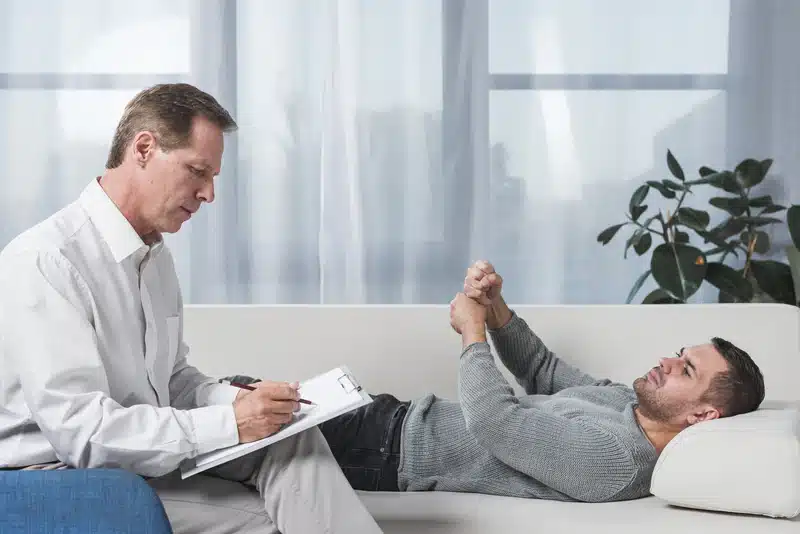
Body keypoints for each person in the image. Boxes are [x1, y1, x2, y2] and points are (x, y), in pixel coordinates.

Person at [0, 83, 383, 534]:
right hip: (63, 478)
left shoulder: (153, 257)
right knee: (286, 519)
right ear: (144, 148)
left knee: (292, 440)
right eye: (197, 172)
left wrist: (243, 403)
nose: (208, 194)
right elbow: (83, 435)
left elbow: (172, 382)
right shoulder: (48, 260)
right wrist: (231, 423)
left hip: (136, 457)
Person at [317, 260, 766, 503]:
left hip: (384, 452)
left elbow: (495, 423)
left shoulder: (616, 461)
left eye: (685, 370)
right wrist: (496, 311)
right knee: (246, 396)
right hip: (389, 416)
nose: (667, 361)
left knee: (245, 404)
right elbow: (542, 371)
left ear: (703, 414)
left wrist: (472, 330)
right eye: (680, 354)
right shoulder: (627, 403)